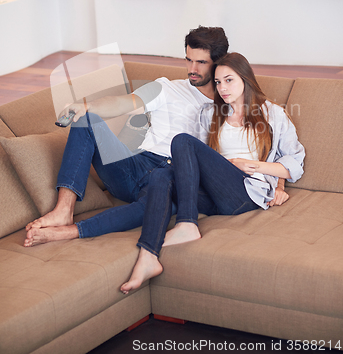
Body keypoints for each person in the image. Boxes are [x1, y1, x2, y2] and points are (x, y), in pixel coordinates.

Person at [24, 26, 229, 247]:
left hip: (174, 178)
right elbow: (125, 102)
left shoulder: (230, 103)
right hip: (135, 165)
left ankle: (72, 231)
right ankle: (63, 210)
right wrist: (87, 105)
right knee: (86, 118)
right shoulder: (166, 88)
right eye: (189, 60)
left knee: (159, 205)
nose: (192, 69)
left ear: (218, 62)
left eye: (201, 63)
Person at [121, 52, 305, 294]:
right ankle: (148, 257)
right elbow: (198, 159)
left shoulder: (272, 114)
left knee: (182, 141)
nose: (223, 88)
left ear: (245, 78)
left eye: (229, 80)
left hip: (245, 192)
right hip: (216, 193)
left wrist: (254, 168)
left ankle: (187, 223)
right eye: (218, 82)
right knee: (162, 175)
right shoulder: (211, 114)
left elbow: (294, 162)